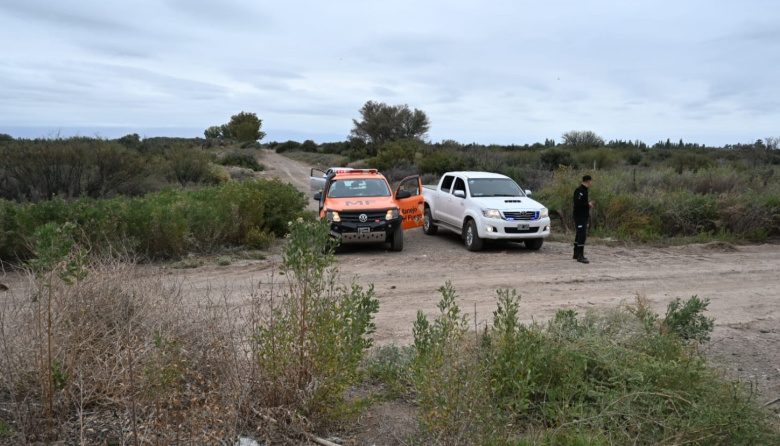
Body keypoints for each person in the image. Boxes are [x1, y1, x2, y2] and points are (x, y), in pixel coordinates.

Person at [572, 175, 595, 264]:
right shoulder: (580, 190)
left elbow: (582, 203)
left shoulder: (585, 190)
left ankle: (576, 253)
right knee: (582, 235)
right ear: (588, 181)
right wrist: (587, 205)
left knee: (579, 234)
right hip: (579, 216)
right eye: (591, 181)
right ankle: (580, 256)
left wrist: (588, 204)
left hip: (583, 216)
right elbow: (577, 203)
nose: (591, 183)